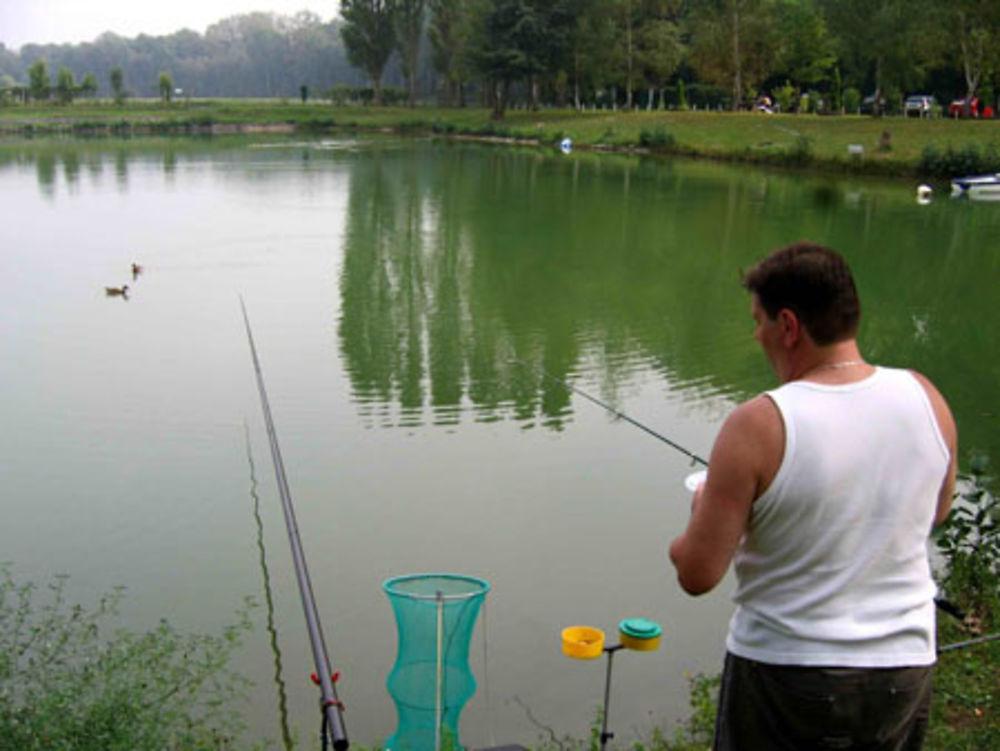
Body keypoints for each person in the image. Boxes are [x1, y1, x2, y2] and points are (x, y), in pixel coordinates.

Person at [669, 241, 957, 751]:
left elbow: (697, 573)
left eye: (757, 320)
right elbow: (936, 511)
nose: (754, 334)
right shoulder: (925, 395)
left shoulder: (759, 423)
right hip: (903, 667)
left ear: (788, 326)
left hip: (788, 672)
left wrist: (699, 514)